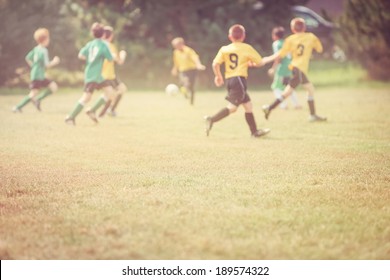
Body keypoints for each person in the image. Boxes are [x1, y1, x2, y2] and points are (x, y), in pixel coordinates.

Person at [204, 24, 274, 138]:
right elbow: (260, 62)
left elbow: (215, 64)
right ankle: (211, 119)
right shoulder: (246, 48)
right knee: (233, 108)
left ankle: (254, 132)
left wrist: (218, 76)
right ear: (243, 36)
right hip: (239, 81)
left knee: (248, 106)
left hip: (230, 80)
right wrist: (254, 62)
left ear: (230, 37)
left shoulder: (225, 49)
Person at [262, 18, 327, 122]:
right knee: (301, 90)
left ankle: (269, 108)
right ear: (304, 27)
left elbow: (280, 54)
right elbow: (320, 49)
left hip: (295, 68)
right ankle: (312, 115)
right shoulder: (311, 37)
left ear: (292, 29)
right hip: (299, 69)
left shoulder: (290, 39)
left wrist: (266, 59)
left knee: (297, 91)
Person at [65, 22, 114, 125]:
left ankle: (92, 111)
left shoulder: (89, 44)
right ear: (104, 35)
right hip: (93, 75)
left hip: (96, 75)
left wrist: (90, 59)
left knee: (109, 91)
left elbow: (80, 55)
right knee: (86, 97)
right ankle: (70, 117)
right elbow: (110, 59)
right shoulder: (103, 45)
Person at [13, 28, 59, 113]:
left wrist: (33, 66)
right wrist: (55, 61)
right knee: (33, 94)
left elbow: (27, 58)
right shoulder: (43, 50)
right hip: (37, 76)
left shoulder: (36, 49)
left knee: (53, 87)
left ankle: (37, 100)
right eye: (48, 38)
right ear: (44, 40)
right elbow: (47, 64)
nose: (49, 40)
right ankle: (17, 107)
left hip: (39, 75)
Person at [268, 26, 301, 110]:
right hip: (289, 67)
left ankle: (283, 105)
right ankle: (296, 104)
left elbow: (278, 57)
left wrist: (273, 68)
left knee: (275, 87)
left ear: (275, 36)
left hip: (282, 68)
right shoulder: (287, 42)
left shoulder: (276, 44)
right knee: (289, 87)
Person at [98, 26, 127, 118]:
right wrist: (123, 55)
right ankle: (103, 112)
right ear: (111, 36)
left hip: (109, 74)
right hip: (107, 75)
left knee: (121, 89)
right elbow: (119, 61)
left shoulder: (100, 45)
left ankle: (110, 110)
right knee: (111, 95)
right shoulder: (110, 46)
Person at [171, 37, 205, 105]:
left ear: (181, 44)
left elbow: (195, 57)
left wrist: (198, 64)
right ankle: (185, 92)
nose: (175, 47)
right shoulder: (175, 52)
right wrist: (174, 69)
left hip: (192, 70)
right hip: (183, 71)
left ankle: (191, 102)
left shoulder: (188, 50)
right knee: (184, 82)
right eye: (174, 46)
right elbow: (176, 62)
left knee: (191, 87)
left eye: (176, 45)